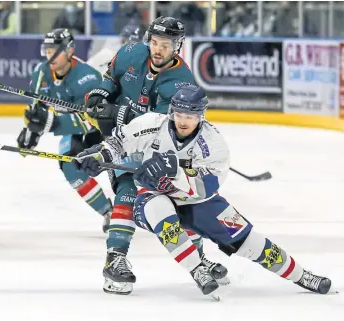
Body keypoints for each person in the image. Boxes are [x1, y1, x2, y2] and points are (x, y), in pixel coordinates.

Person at [76, 85, 332, 299]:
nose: (184, 120)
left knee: (251, 243)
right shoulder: (150, 124)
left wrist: (173, 170)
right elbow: (118, 142)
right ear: (171, 112)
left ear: (201, 115)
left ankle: (302, 276)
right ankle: (197, 268)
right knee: (158, 208)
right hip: (153, 201)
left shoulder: (214, 144)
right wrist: (98, 156)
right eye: (179, 114)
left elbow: (206, 188)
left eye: (191, 115)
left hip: (198, 202)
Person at [82, 17, 227, 294]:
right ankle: (116, 259)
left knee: (182, 203)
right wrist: (100, 98)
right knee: (125, 191)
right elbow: (110, 80)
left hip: (160, 150)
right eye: (155, 43)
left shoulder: (181, 81)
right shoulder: (130, 53)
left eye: (166, 45)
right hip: (123, 141)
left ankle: (199, 258)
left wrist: (118, 113)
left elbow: (160, 126)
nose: (158, 50)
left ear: (178, 47)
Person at [16, 28, 113, 232]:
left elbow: (92, 119)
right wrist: (31, 132)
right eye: (47, 50)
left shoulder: (88, 78)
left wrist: (52, 122)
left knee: (119, 170)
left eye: (55, 50)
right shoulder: (41, 73)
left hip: (104, 129)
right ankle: (108, 212)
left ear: (69, 51)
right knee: (69, 164)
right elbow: (38, 109)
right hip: (75, 129)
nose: (49, 56)